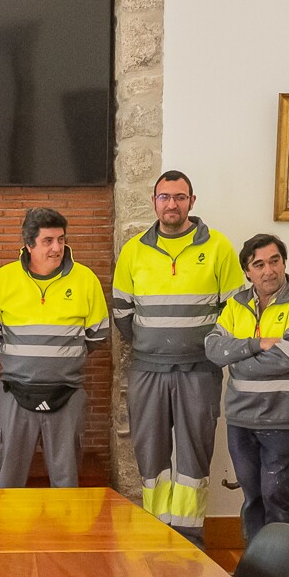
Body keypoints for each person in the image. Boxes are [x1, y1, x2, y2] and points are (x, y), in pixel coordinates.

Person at [112, 171, 241, 542]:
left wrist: (201, 348)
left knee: (193, 459)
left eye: (180, 197)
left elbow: (234, 313)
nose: (172, 204)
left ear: (192, 201)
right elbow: (122, 312)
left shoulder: (218, 247)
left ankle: (190, 541)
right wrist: (154, 344)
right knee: (150, 457)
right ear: (154, 202)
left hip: (199, 371)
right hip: (147, 370)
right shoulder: (134, 250)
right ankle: (155, 537)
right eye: (164, 197)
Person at [0, 206, 111, 487]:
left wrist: (61, 360)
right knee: (8, 482)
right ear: (29, 245)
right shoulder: (2, 280)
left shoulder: (86, 279)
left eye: (61, 240)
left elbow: (97, 335)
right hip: (14, 393)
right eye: (48, 241)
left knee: (67, 482)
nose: (57, 248)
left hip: (67, 393)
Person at [205, 233, 289, 541]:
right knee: (252, 495)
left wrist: (237, 358)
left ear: (284, 263)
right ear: (247, 271)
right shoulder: (235, 305)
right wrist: (257, 344)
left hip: (282, 416)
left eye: (274, 261)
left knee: (275, 494)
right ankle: (256, 565)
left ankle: (285, 568)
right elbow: (213, 349)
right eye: (259, 264)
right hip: (241, 418)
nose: (268, 270)